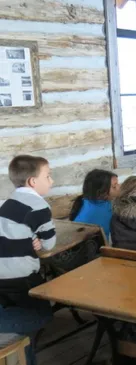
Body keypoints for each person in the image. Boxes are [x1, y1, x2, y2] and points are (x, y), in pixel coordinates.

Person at [0, 155, 56, 365]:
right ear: (33, 181)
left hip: (2, 274)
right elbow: (49, 244)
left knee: (25, 331)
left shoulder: (8, 203)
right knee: (43, 315)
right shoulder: (39, 206)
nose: (52, 181)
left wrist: (32, 238)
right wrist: (39, 242)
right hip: (21, 275)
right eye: (48, 176)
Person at [70, 169, 120, 240]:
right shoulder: (96, 213)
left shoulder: (91, 201)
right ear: (101, 192)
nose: (119, 187)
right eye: (114, 187)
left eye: (118, 184)